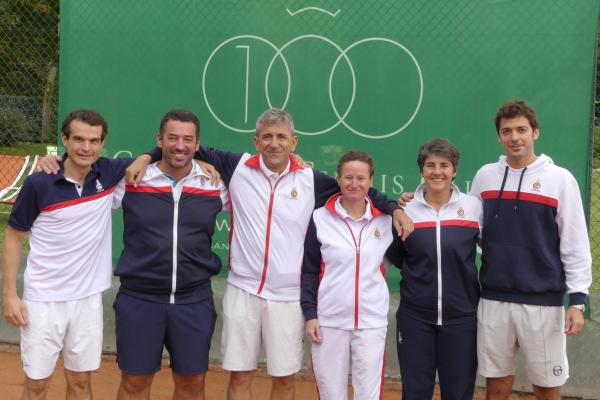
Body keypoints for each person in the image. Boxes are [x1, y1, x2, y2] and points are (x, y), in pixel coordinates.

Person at [129, 108, 413, 400]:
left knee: (284, 380)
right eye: (267, 137)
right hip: (243, 290)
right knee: (240, 377)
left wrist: (395, 209)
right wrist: (146, 157)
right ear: (256, 141)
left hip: (288, 297)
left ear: (294, 142)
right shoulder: (235, 166)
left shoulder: (311, 179)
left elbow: (361, 191)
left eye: (281, 137)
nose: (273, 143)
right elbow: (183, 149)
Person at [2, 109, 134, 399]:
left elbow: (161, 155)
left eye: (94, 141)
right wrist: (10, 294)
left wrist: (203, 163)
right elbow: (13, 237)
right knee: (36, 386)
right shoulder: (40, 183)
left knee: (80, 384)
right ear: (65, 139)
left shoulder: (108, 172)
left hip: (87, 301)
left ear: (102, 143)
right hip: (43, 302)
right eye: (78, 139)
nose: (86, 147)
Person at [471, 100, 592, 400]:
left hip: (543, 301)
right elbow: (469, 226)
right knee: (496, 380)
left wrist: (577, 302)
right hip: (494, 298)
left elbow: (574, 241)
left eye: (522, 130)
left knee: (546, 386)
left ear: (535, 132)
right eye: (507, 131)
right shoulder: (485, 176)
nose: (515, 137)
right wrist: (415, 201)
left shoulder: (561, 180)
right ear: (499, 137)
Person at [112, 109, 229, 400]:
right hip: (139, 299)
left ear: (197, 143)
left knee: (192, 385)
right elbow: (82, 166)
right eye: (172, 138)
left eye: (188, 139)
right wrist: (53, 161)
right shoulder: (133, 178)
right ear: (159, 140)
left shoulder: (214, 183)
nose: (180, 146)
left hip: (194, 301)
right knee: (134, 384)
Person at [386, 139, 482, 400]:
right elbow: (396, 256)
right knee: (416, 393)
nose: (437, 171)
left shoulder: (473, 207)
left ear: (455, 171)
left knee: (459, 393)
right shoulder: (405, 210)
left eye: (444, 165)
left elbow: (492, 247)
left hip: (462, 318)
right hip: (416, 319)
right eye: (430, 165)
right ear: (421, 170)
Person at [301, 151, 394, 400]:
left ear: (371, 181)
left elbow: (402, 259)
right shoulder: (320, 218)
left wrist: (397, 209)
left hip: (371, 322)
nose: (355, 184)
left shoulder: (385, 221)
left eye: (361, 178)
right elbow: (309, 271)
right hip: (329, 321)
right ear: (338, 179)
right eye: (348, 177)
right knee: (331, 394)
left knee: (368, 395)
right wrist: (310, 315)